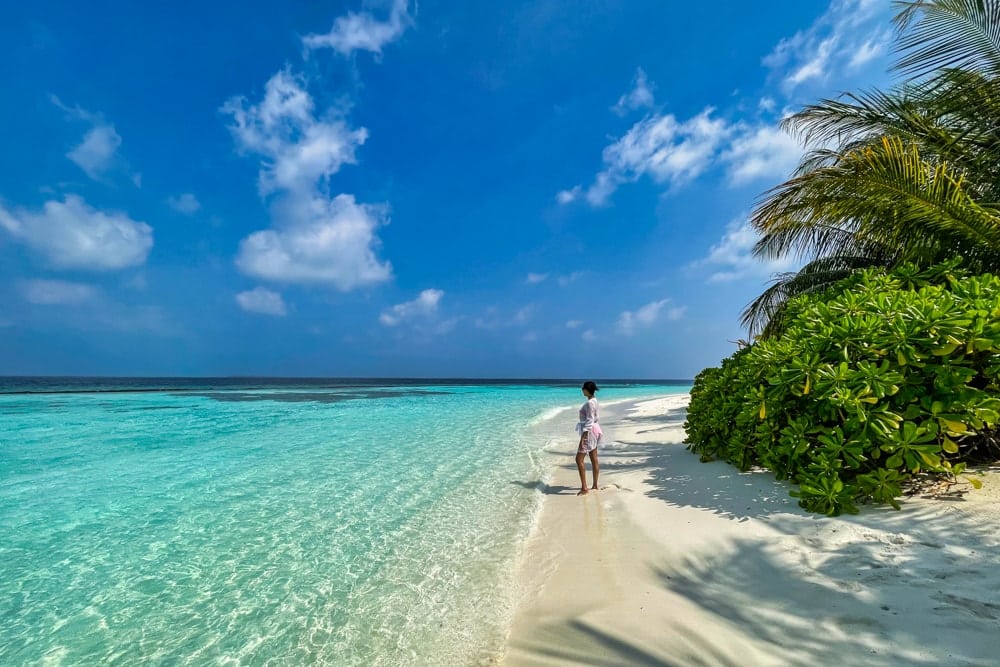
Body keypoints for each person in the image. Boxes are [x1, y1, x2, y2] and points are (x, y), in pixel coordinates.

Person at [574, 381, 603, 495]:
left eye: (583, 388)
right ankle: (595, 485)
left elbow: (589, 420)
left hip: (590, 432)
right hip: (595, 430)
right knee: (593, 457)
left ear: (587, 390)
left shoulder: (590, 403)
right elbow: (595, 418)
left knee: (579, 459)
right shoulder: (594, 400)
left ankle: (584, 488)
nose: (582, 390)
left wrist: (583, 437)